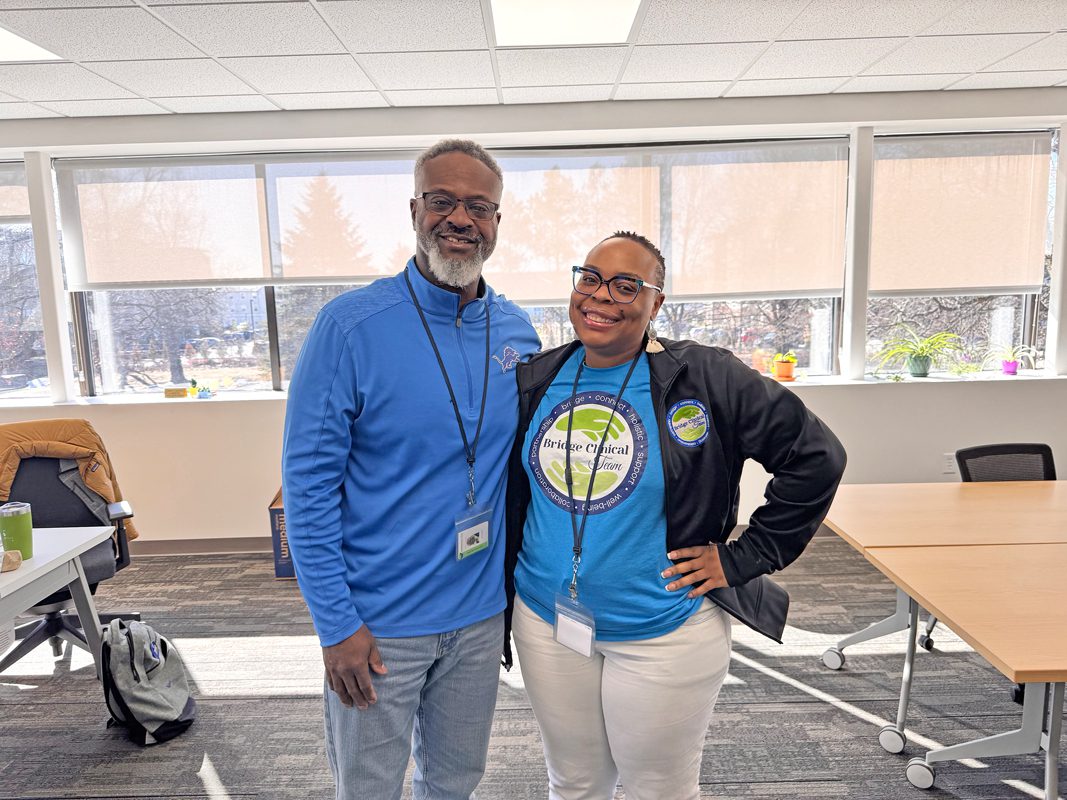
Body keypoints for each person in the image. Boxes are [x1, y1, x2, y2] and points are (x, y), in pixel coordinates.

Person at [503, 231, 846, 800]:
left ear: (656, 302)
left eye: (626, 285)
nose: (601, 296)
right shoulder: (537, 379)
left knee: (656, 789)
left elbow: (816, 457)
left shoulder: (707, 377)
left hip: (662, 627)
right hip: (547, 619)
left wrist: (747, 556)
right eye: (590, 277)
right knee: (574, 783)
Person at [282, 139, 540, 800]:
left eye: (478, 206)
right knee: (368, 789)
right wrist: (335, 625)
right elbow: (307, 490)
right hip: (378, 623)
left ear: (496, 222)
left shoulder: (516, 331)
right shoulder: (350, 327)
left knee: (455, 783)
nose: (459, 219)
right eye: (441, 201)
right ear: (413, 210)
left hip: (480, 619)